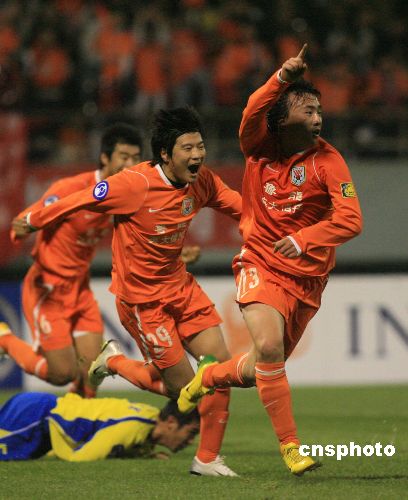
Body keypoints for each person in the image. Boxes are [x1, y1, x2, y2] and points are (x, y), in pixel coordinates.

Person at [11, 107, 242, 477]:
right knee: (183, 389)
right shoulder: (132, 184)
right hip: (142, 301)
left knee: (220, 370)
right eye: (188, 148)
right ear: (165, 154)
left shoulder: (203, 181)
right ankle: (113, 362)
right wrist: (32, 220)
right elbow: (78, 200)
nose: (198, 154)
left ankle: (207, 459)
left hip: (181, 288)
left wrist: (283, 230)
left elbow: (242, 209)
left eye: (200, 146)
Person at [177, 44, 363, 476]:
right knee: (268, 346)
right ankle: (291, 448)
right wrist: (282, 77)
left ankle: (209, 377)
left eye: (319, 110)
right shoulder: (257, 146)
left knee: (260, 367)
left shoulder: (329, 161)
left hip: (308, 280)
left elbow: (351, 219)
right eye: (307, 109)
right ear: (282, 118)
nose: (317, 117)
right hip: (259, 263)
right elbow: (250, 112)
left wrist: (304, 239)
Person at [3, 123, 143, 398]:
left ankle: (77, 419)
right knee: (62, 374)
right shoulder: (72, 188)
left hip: (80, 290)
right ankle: (5, 339)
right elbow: (30, 218)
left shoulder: (125, 197)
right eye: (124, 157)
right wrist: (21, 228)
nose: (130, 164)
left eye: (136, 158)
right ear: (105, 158)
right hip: (48, 289)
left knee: (92, 372)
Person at [0, 391, 199, 461]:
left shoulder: (149, 418)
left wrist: (144, 456)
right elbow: (82, 458)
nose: (191, 441)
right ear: (171, 422)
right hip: (36, 414)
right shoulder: (132, 427)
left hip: (41, 413)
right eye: (191, 433)